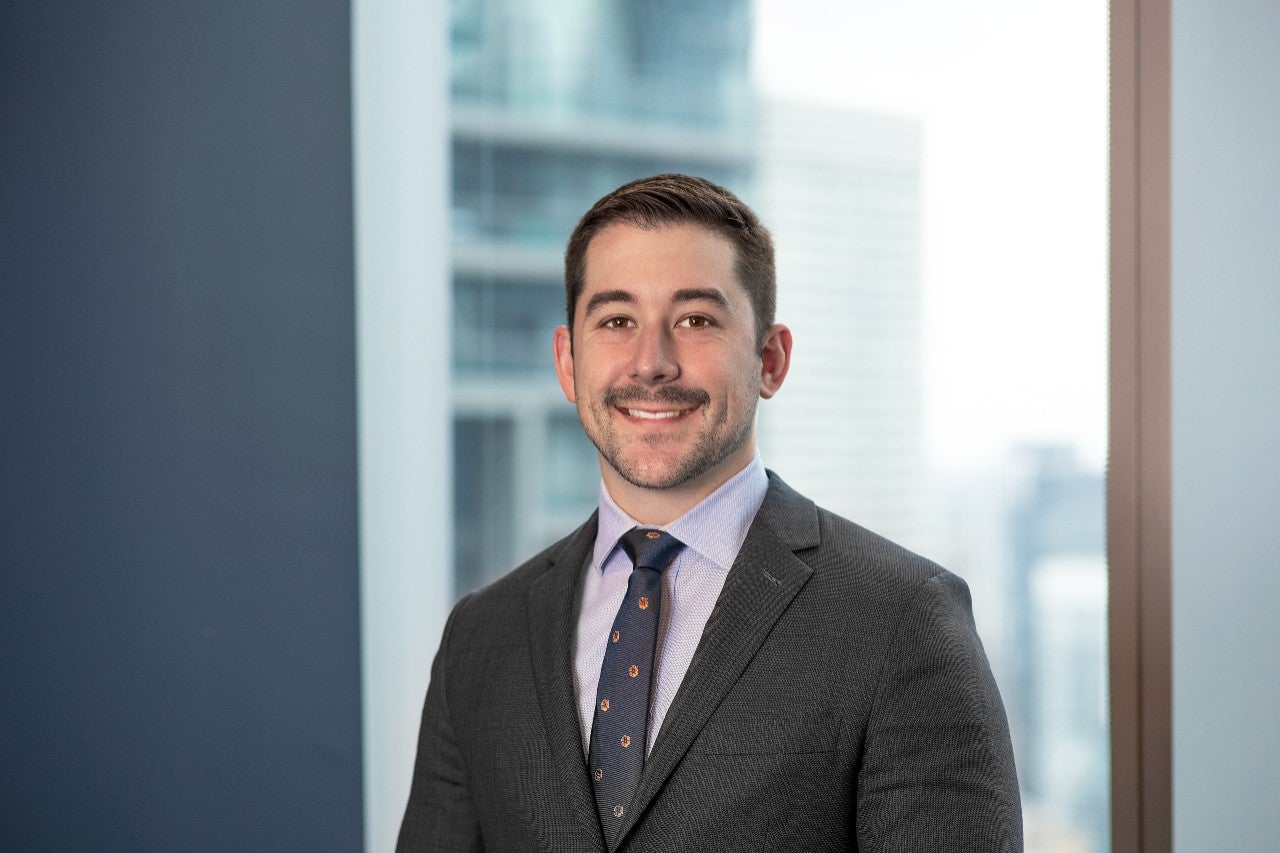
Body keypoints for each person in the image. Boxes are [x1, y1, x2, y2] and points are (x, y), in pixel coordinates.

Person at [397, 174, 1022, 852]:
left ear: (770, 360)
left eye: (695, 320)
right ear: (569, 362)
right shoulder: (480, 637)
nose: (651, 364)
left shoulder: (903, 618)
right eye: (616, 321)